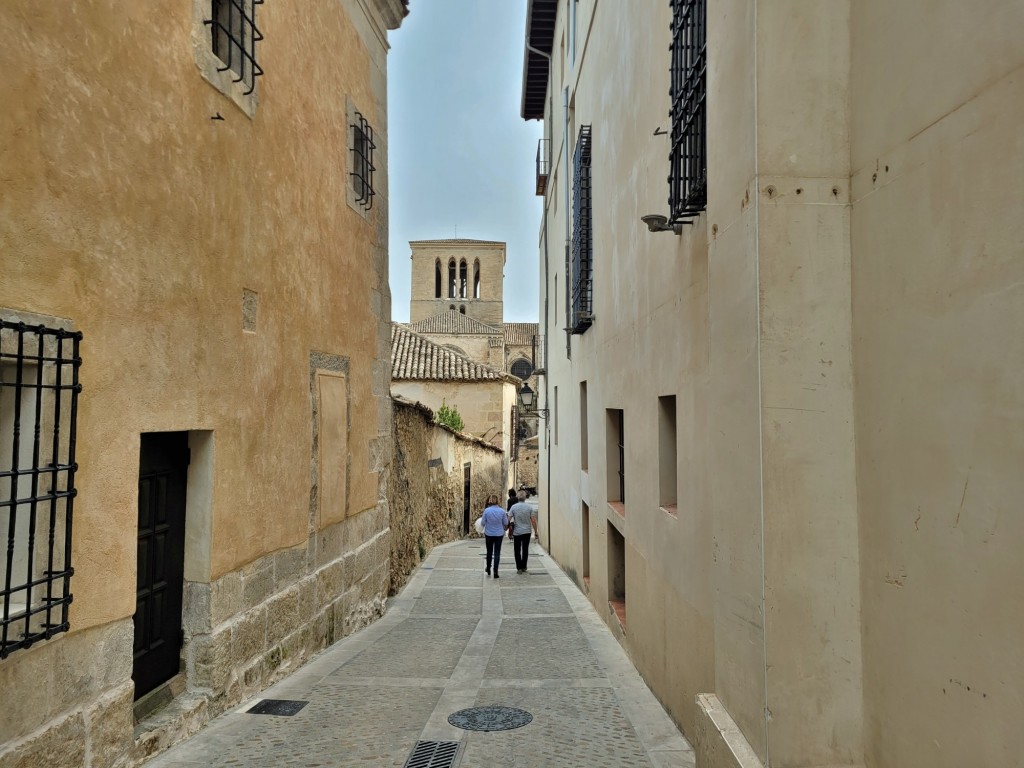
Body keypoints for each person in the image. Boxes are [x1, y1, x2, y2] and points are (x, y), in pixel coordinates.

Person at [509, 490, 538, 574]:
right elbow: (533, 520)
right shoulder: (529, 507)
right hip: (527, 531)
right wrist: (535, 531)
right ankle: (524, 566)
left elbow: (509, 518)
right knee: (525, 549)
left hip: (517, 531)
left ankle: (519, 567)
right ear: (525, 498)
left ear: (518, 497)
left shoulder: (513, 507)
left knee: (517, 550)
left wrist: (506, 528)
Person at [481, 494, 509, 579]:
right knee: (497, 553)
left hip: (489, 534)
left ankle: (488, 568)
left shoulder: (486, 511)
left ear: (490, 501)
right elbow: (506, 523)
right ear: (497, 501)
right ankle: (495, 571)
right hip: (499, 534)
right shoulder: (502, 511)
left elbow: (482, 523)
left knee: (489, 552)